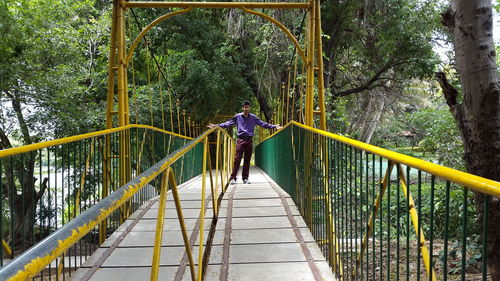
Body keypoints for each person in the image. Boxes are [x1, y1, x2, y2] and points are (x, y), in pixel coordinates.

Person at [208, 101, 282, 184]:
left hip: (249, 140)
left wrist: (275, 126)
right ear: (242, 108)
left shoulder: (253, 117)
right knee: (237, 159)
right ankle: (233, 178)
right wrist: (216, 126)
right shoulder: (238, 117)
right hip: (240, 139)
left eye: (248, 107)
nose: (246, 109)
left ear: (249, 108)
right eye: (245, 107)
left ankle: (245, 178)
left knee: (247, 160)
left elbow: (263, 124)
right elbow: (227, 123)